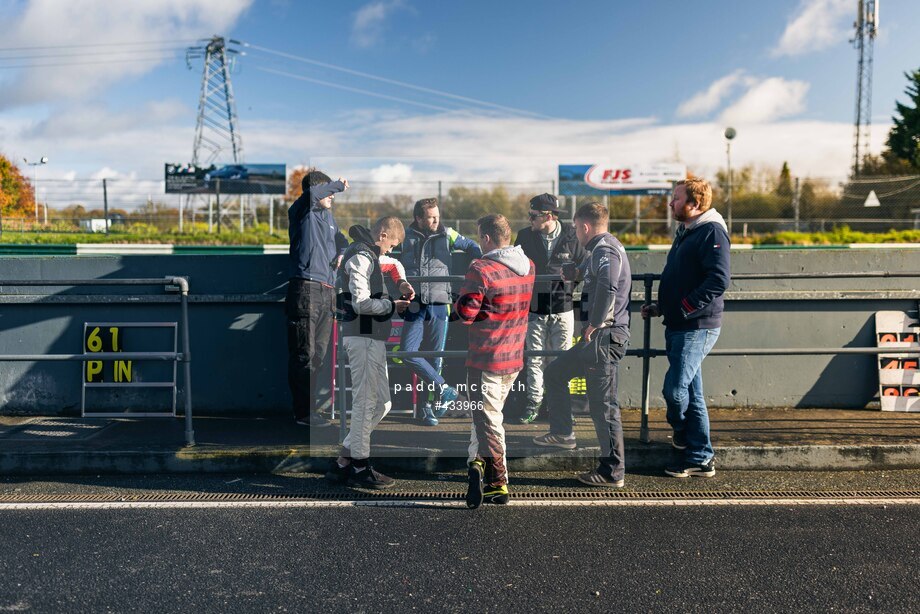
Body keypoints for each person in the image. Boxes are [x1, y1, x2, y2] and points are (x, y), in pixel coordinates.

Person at [533, 202, 632, 488]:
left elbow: (609, 285)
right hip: (597, 339)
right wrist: (575, 273)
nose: (575, 233)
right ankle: (563, 433)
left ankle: (613, 471)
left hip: (603, 338)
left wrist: (595, 322)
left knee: (603, 407)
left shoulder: (605, 249)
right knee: (555, 373)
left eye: (576, 228)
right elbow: (593, 276)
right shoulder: (599, 250)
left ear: (585, 226)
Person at [641, 178, 730, 478]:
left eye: (676, 198)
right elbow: (678, 275)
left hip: (696, 325)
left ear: (695, 204)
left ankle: (683, 435)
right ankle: (700, 456)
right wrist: (662, 308)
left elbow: (718, 280)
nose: (671, 203)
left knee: (675, 390)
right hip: (681, 322)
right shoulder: (687, 230)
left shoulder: (712, 231)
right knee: (693, 392)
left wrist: (684, 307)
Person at [326, 217, 413, 489]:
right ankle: (360, 467)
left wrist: (402, 282)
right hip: (362, 336)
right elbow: (362, 303)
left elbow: (394, 265)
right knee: (366, 403)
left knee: (381, 404)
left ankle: (344, 461)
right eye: (392, 246)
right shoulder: (362, 258)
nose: (391, 251)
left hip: (370, 338)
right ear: (383, 236)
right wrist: (392, 305)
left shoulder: (367, 254)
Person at [455, 214, 534, 509]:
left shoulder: (481, 268)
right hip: (513, 357)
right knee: (485, 416)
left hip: (484, 358)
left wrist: (458, 301)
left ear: (486, 238)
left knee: (489, 421)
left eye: (479, 237)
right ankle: (475, 463)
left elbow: (466, 314)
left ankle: (498, 483)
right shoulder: (528, 266)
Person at [400, 197, 482, 426]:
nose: (437, 220)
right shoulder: (405, 236)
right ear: (418, 218)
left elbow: (473, 247)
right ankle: (445, 389)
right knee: (407, 352)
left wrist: (475, 263)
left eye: (438, 215)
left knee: (435, 359)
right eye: (431, 217)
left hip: (439, 304)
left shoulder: (449, 234)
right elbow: (383, 248)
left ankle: (428, 408)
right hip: (414, 303)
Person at [514, 193, 587, 423]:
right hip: (534, 308)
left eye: (533, 215)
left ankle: (559, 408)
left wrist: (570, 286)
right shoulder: (524, 236)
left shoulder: (571, 236)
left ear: (548, 216)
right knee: (534, 359)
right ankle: (533, 404)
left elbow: (584, 266)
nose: (529, 219)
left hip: (563, 307)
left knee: (561, 360)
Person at [286, 170, 349, 428]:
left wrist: (343, 252)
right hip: (306, 290)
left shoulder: (329, 219)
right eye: (328, 191)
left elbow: (342, 239)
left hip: (328, 291)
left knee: (319, 356)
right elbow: (313, 194)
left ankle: (311, 411)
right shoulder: (302, 211)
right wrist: (337, 185)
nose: (332, 196)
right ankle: (302, 413)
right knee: (304, 353)